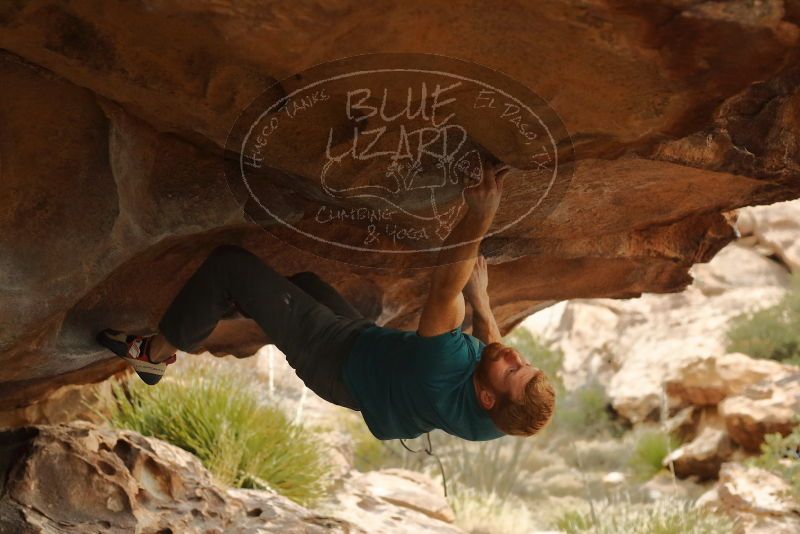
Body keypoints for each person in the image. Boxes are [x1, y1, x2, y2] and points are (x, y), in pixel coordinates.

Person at [97, 160, 555, 440]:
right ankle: (231, 313)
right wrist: (486, 304)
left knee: (228, 266)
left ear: (488, 399)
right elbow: (494, 348)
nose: (514, 355)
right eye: (526, 362)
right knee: (306, 282)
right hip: (371, 362)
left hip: (336, 360)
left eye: (513, 371)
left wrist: (481, 215)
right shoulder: (505, 420)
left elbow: (444, 289)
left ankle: (152, 354)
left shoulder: (441, 371)